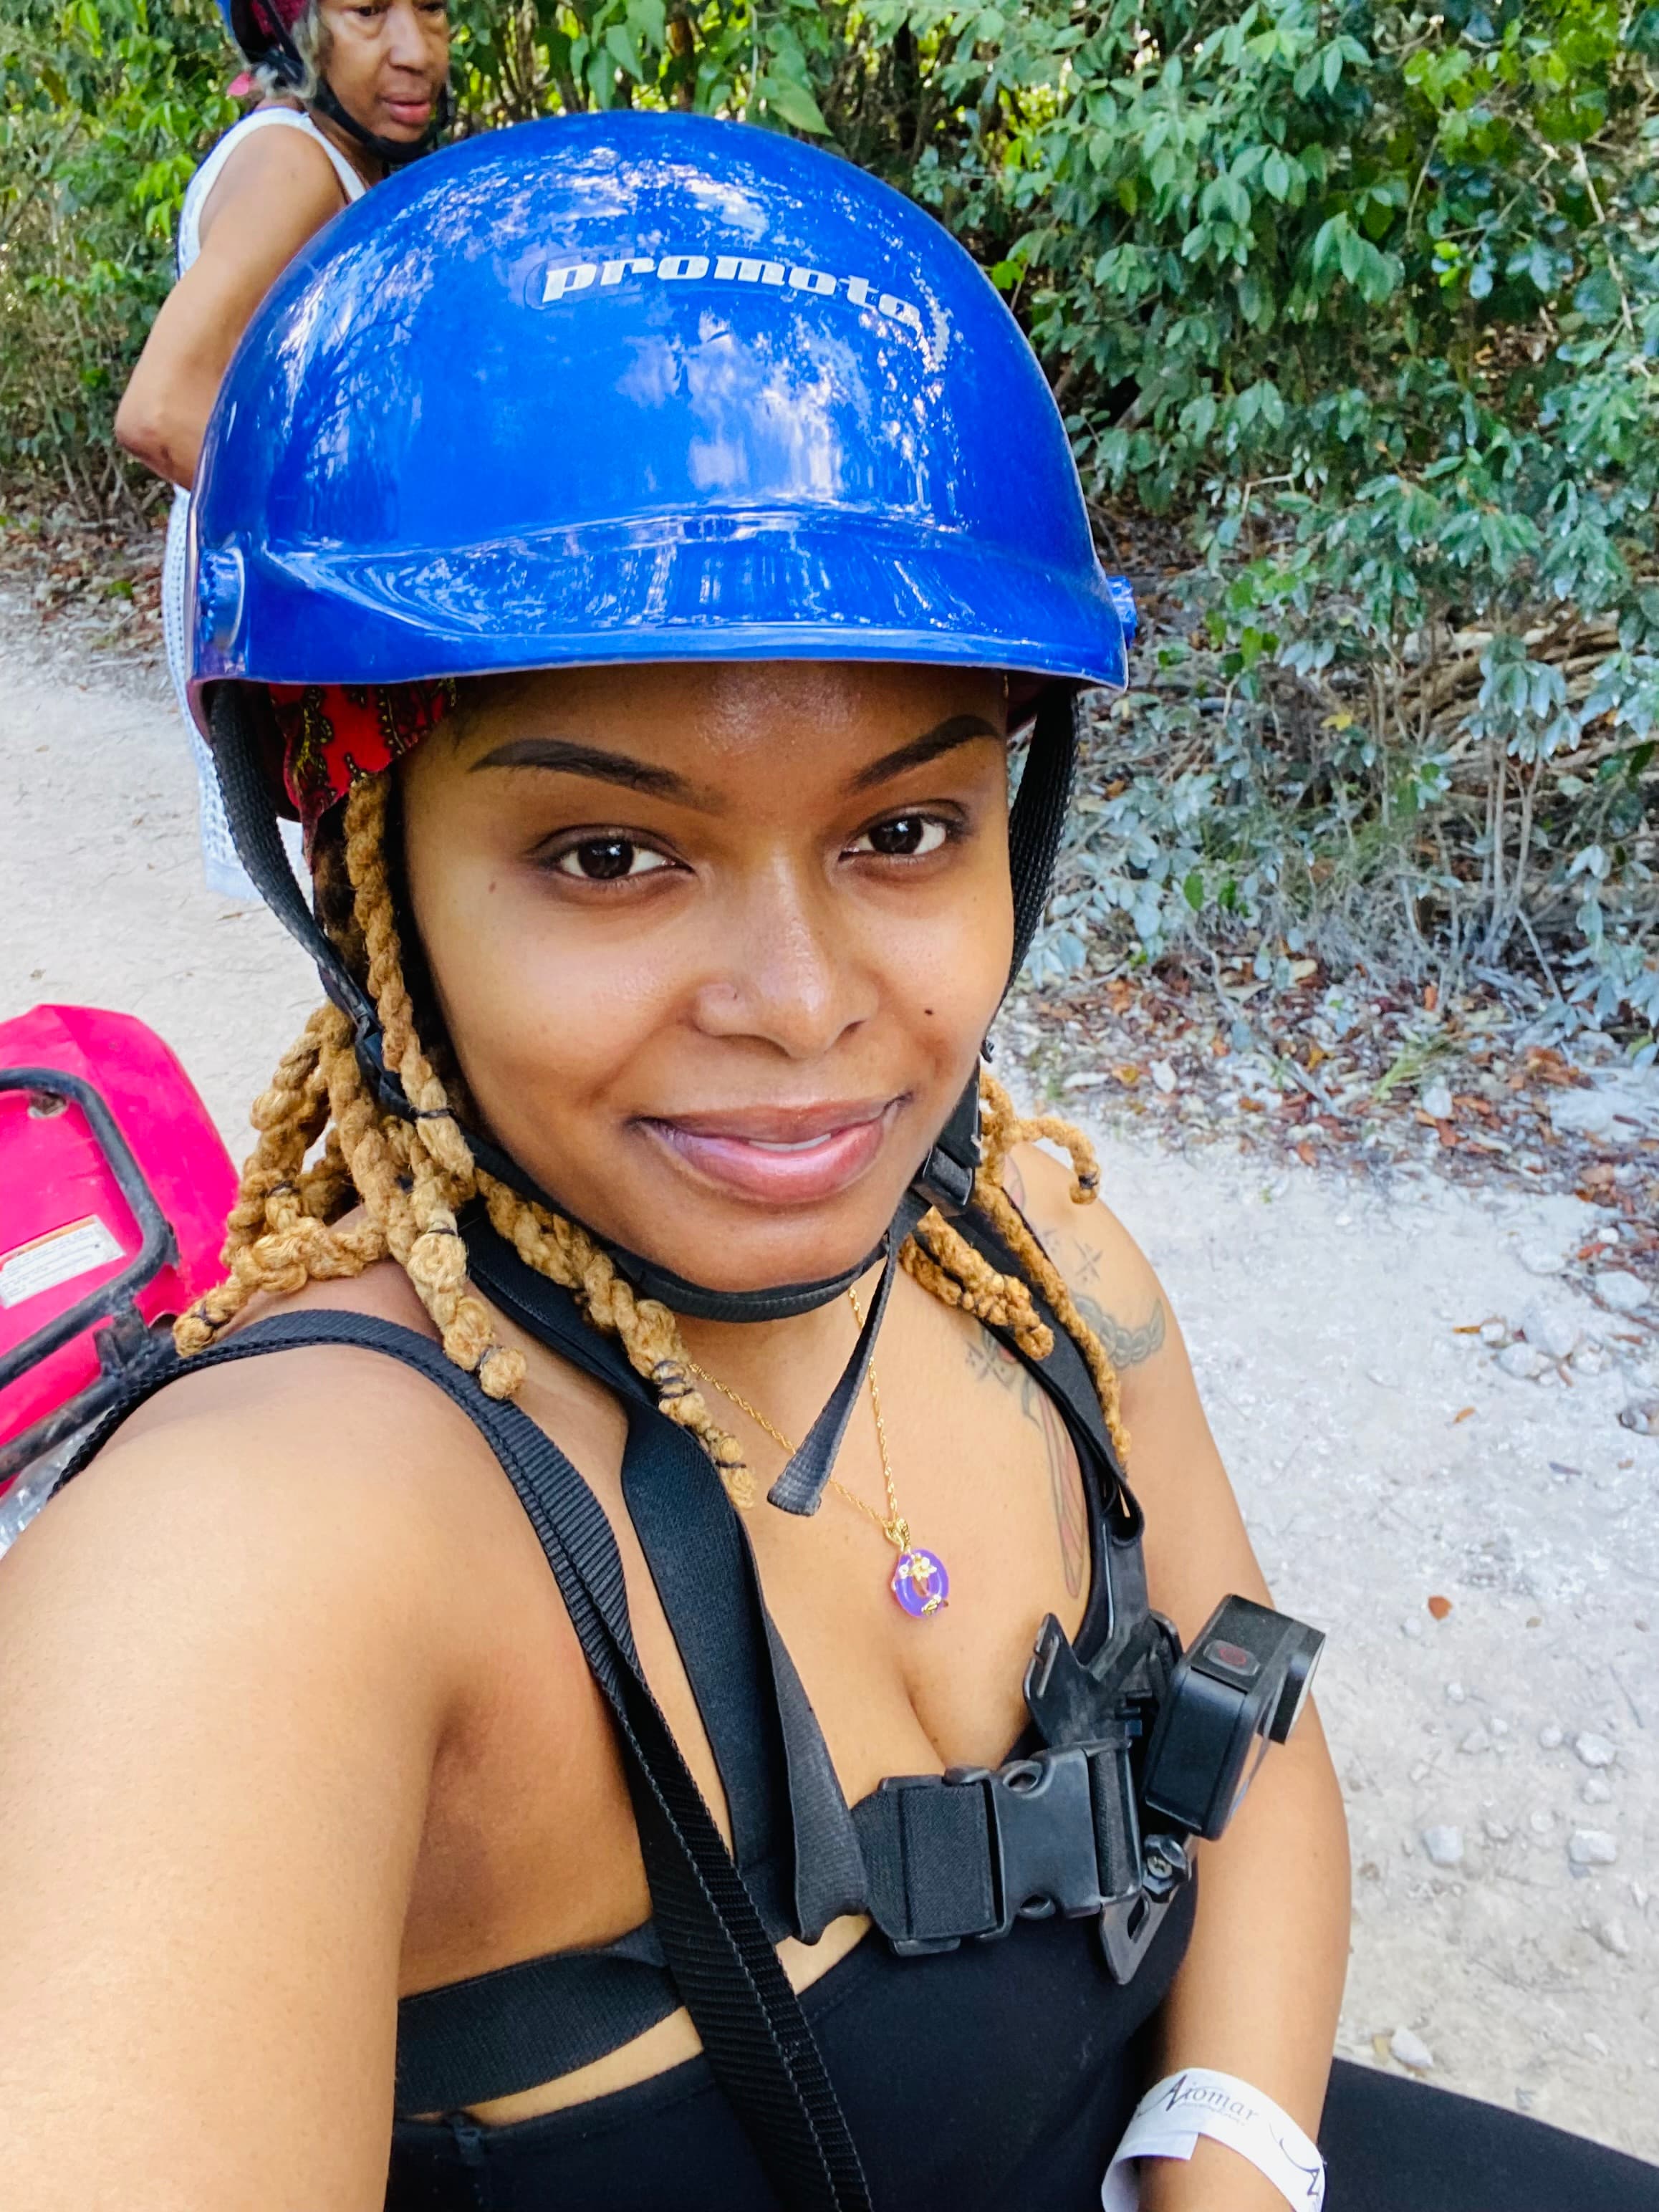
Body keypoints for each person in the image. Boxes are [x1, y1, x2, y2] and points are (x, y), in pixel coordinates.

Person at [5, 115, 1656, 2212]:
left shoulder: (1033, 1249)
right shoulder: (273, 1554)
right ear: (372, 866)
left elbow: (1255, 1742)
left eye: (901, 832)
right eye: (611, 853)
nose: (802, 1004)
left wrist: (1224, 2150)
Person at [115, 0, 451, 898]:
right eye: (369, 11)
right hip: (297, 591)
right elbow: (163, 408)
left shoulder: (321, 154)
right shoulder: (295, 165)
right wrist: (367, 558)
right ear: (295, 25)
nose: (415, 50)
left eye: (435, 8)